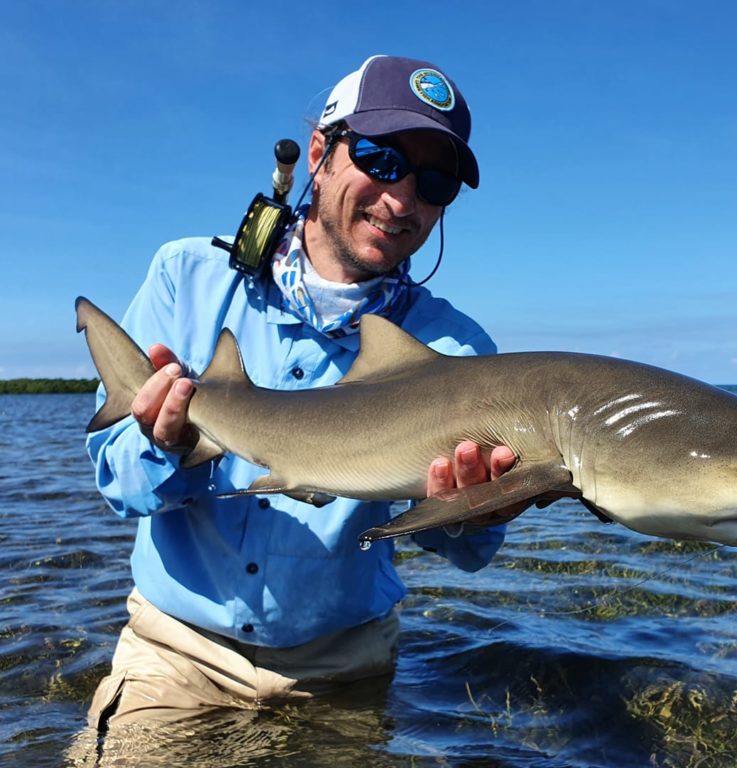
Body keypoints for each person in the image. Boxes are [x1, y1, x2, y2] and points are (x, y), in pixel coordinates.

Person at [84, 54, 519, 727]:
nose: (402, 199)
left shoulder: (455, 351)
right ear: (320, 151)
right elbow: (118, 485)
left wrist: (474, 508)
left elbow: (469, 551)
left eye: (434, 181)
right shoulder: (188, 275)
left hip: (345, 670)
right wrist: (161, 444)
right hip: (177, 653)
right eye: (380, 159)